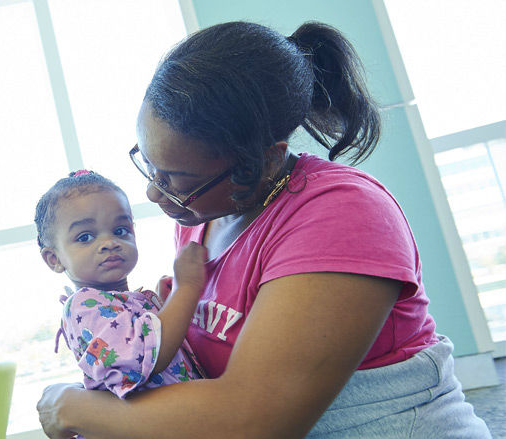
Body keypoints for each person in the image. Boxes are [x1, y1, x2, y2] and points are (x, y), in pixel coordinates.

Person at [36, 21, 492, 438]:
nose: (156, 194)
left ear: (266, 160)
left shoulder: (342, 212)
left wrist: (76, 407)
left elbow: (252, 420)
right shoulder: (202, 218)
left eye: (175, 178)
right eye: (149, 166)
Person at [34, 170, 206, 407]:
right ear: (54, 259)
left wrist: (163, 305)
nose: (109, 243)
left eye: (120, 230)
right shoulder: (83, 306)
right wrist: (186, 287)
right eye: (85, 237)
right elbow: (148, 358)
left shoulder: (120, 301)